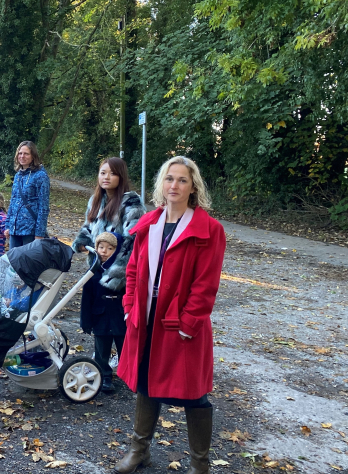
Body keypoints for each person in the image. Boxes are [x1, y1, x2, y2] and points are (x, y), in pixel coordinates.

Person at [114, 156, 226, 474]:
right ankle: (139, 451)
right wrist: (129, 307)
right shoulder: (150, 223)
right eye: (169, 179)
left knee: (193, 394)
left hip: (180, 324)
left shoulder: (209, 230)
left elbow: (206, 285)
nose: (174, 185)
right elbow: (133, 270)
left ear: (193, 188)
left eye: (182, 180)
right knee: (146, 383)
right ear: (161, 184)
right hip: (146, 319)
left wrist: (190, 323)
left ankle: (199, 465)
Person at [73, 157, 145, 293]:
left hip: (118, 275)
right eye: (103, 173)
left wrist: (115, 275)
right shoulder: (95, 201)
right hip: (95, 266)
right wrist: (82, 241)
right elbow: (88, 226)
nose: (107, 177)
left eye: (113, 173)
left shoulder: (131, 203)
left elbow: (133, 241)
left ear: (121, 176)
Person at [79, 231, 126, 393]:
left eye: (110, 248)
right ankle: (104, 375)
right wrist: (85, 320)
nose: (104, 251)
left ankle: (127, 374)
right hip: (100, 317)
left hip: (120, 317)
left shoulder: (123, 272)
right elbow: (86, 299)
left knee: (125, 348)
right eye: (101, 247)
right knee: (101, 350)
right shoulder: (92, 273)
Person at [5, 141, 50, 248]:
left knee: (28, 263)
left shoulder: (41, 176)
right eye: (20, 153)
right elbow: (13, 202)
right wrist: (8, 225)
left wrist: (39, 233)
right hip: (15, 229)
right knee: (14, 262)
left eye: (26, 154)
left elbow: (43, 207)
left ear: (33, 156)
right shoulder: (18, 176)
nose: (22, 156)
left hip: (30, 230)